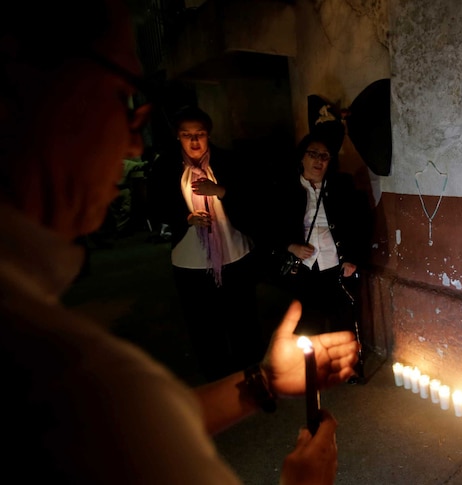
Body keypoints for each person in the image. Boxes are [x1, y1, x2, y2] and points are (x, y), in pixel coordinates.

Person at [0, 1, 359, 483]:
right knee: (208, 326)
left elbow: (135, 423)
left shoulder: (40, 310)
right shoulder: (58, 363)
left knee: (240, 317)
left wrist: (261, 383)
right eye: (124, 99)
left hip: (236, 257)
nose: (132, 144)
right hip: (192, 262)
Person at [149, 106, 263, 381]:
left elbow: (253, 198)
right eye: (187, 135)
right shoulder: (165, 166)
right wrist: (186, 217)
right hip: (191, 259)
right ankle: (218, 375)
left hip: (234, 251)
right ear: (178, 137)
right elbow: (155, 206)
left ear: (208, 135)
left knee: (242, 316)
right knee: (203, 322)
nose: (194, 141)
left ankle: (250, 370)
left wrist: (220, 191)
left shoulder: (227, 162)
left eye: (199, 134)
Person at [258, 129, 367, 340]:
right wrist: (291, 247)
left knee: (342, 323)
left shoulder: (342, 185)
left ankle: (347, 369)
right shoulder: (284, 189)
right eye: (313, 154)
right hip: (304, 268)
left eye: (324, 156)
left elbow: (360, 224)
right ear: (302, 157)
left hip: (336, 266)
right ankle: (311, 366)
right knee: (307, 324)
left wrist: (352, 258)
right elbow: (267, 227)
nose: (319, 160)